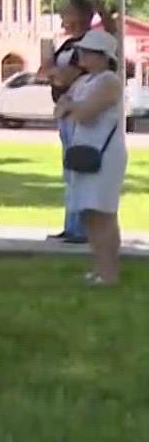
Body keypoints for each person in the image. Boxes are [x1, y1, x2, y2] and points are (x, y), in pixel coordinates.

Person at [56, 30, 127, 285]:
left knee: (103, 213)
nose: (81, 55)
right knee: (88, 213)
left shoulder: (109, 81)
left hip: (104, 155)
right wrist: (69, 107)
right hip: (83, 153)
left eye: (87, 51)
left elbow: (86, 114)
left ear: (103, 56)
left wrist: (71, 108)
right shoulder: (83, 81)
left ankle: (109, 273)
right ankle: (98, 268)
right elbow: (60, 109)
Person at [41, 0, 104, 243]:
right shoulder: (67, 46)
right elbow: (43, 72)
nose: (62, 18)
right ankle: (71, 225)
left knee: (82, 170)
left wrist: (57, 74)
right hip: (64, 114)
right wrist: (54, 74)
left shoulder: (91, 44)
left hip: (80, 113)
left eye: (66, 13)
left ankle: (83, 229)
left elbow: (67, 77)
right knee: (70, 172)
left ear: (79, 16)